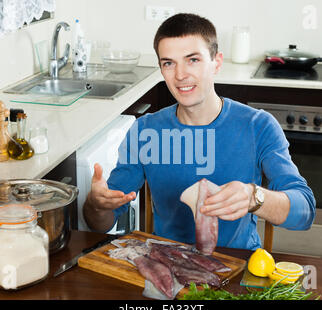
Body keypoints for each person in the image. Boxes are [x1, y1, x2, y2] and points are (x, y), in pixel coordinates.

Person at [83, 13, 316, 250]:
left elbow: (305, 213)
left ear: (217, 62)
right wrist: (96, 204)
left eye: (192, 60)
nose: (180, 75)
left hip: (238, 267)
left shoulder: (258, 126)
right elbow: (100, 224)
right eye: (168, 63)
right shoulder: (145, 130)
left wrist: (254, 197)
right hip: (166, 265)